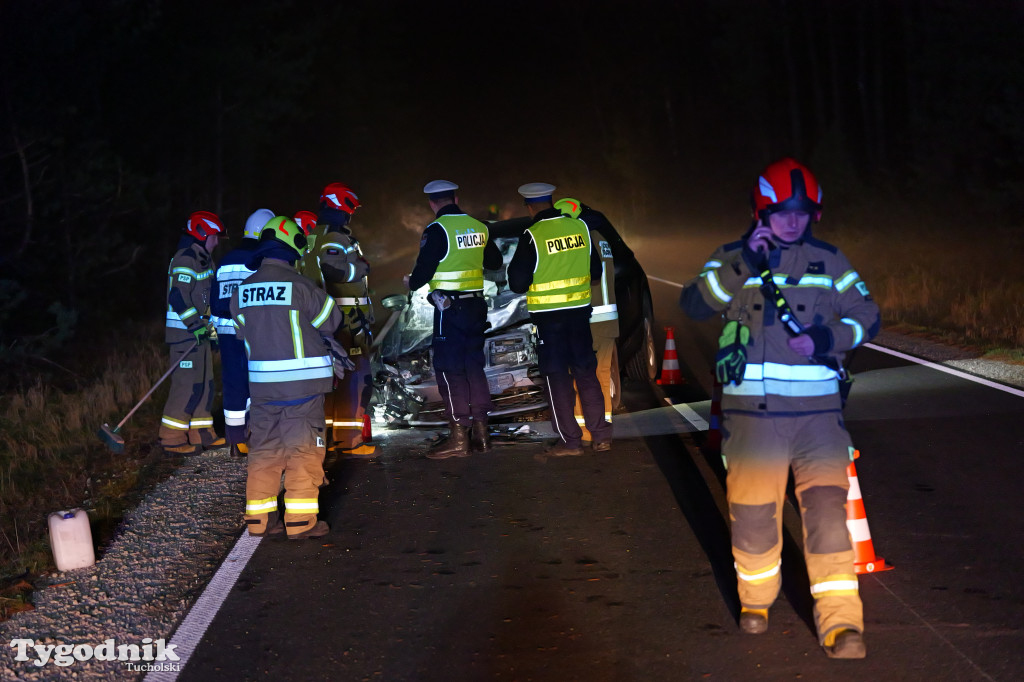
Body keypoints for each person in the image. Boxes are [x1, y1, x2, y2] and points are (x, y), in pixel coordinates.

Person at [679, 158, 879, 659]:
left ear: (815, 214)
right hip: (753, 419)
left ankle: (841, 625)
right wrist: (746, 262)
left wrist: (827, 337)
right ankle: (756, 600)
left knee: (829, 517)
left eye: (802, 212)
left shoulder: (830, 261)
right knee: (752, 517)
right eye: (782, 212)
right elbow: (696, 305)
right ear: (761, 211)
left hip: (818, 419)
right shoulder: (731, 257)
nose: (792, 222)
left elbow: (867, 316)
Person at [230, 216, 347, 540]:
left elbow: (242, 334)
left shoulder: (241, 292)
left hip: (262, 391)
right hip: (302, 389)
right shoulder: (302, 287)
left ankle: (260, 520)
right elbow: (333, 321)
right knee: (304, 450)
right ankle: (300, 521)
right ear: (293, 247)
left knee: (264, 452)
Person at [507, 182, 612, 456]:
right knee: (586, 374)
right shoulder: (580, 228)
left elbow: (517, 283)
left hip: (549, 322)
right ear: (551, 201)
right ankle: (601, 436)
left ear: (530, 207)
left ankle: (570, 442)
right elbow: (595, 273)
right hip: (579, 317)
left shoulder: (533, 235)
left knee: (557, 379)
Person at [405, 180, 502, 459]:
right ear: (456, 199)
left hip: (450, 309)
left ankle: (459, 437)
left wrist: (411, 281)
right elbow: (495, 263)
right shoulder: (479, 227)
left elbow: (422, 274)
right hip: (476, 307)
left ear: (431, 203)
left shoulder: (437, 230)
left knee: (449, 370)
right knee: (474, 367)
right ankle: (482, 435)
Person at [299, 182, 373, 452]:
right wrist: (361, 269)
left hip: (324, 318)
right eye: (350, 208)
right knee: (354, 379)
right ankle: (349, 441)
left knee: (331, 380)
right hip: (346, 319)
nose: (351, 214)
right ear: (342, 206)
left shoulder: (312, 236)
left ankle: (329, 439)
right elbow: (333, 270)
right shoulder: (334, 236)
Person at [159, 210, 226, 456]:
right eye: (214, 236)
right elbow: (178, 296)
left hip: (200, 336)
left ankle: (202, 432)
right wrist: (195, 325)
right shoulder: (185, 259)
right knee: (186, 387)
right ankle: (171, 437)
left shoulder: (205, 260)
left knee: (205, 385)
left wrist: (212, 334)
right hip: (185, 336)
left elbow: (207, 301)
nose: (216, 242)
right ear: (202, 234)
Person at [210, 208, 273, 457]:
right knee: (257, 382)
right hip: (252, 332)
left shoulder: (226, 260)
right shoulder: (260, 260)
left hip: (226, 333)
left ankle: (236, 441)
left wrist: (215, 335)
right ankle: (257, 434)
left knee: (233, 383)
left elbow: (214, 300)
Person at [554, 197, 619, 440]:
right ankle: (603, 430)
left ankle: (584, 431)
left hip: (590, 319)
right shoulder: (601, 238)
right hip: (609, 319)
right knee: (603, 375)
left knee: (581, 377)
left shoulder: (580, 240)